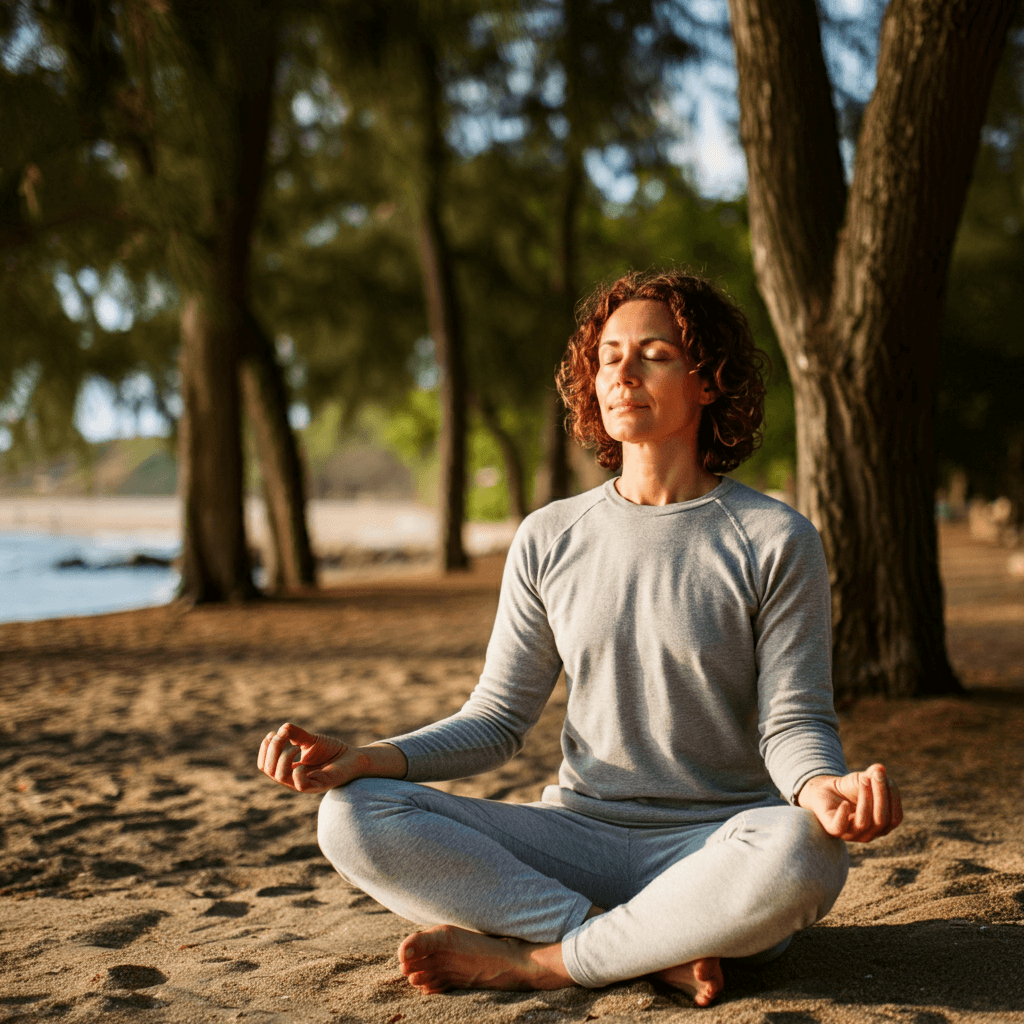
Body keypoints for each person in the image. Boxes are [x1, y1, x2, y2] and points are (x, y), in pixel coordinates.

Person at [258, 270, 902, 1007]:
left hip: (717, 848)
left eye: (654, 354)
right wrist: (366, 756)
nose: (622, 373)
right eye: (608, 356)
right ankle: (629, 942)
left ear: (709, 381)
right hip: (575, 839)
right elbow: (497, 721)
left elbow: (794, 721)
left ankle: (544, 962)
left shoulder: (774, 538)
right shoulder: (550, 536)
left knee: (804, 850)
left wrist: (824, 792)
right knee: (352, 813)